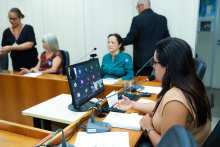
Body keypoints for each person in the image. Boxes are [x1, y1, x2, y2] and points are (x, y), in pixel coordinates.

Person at [113, 38, 212, 147]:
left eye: (155, 62)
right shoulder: (191, 82)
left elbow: (166, 145)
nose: (153, 66)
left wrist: (148, 127)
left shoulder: (176, 101)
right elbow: (162, 109)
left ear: (168, 67)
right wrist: (132, 104)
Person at [123, 0, 170, 76]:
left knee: (141, 84)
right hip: (159, 59)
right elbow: (167, 39)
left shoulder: (137, 19)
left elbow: (129, 39)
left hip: (142, 62)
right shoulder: (162, 19)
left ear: (141, 5)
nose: (138, 10)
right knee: (159, 83)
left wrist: (117, 41)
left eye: (137, 7)